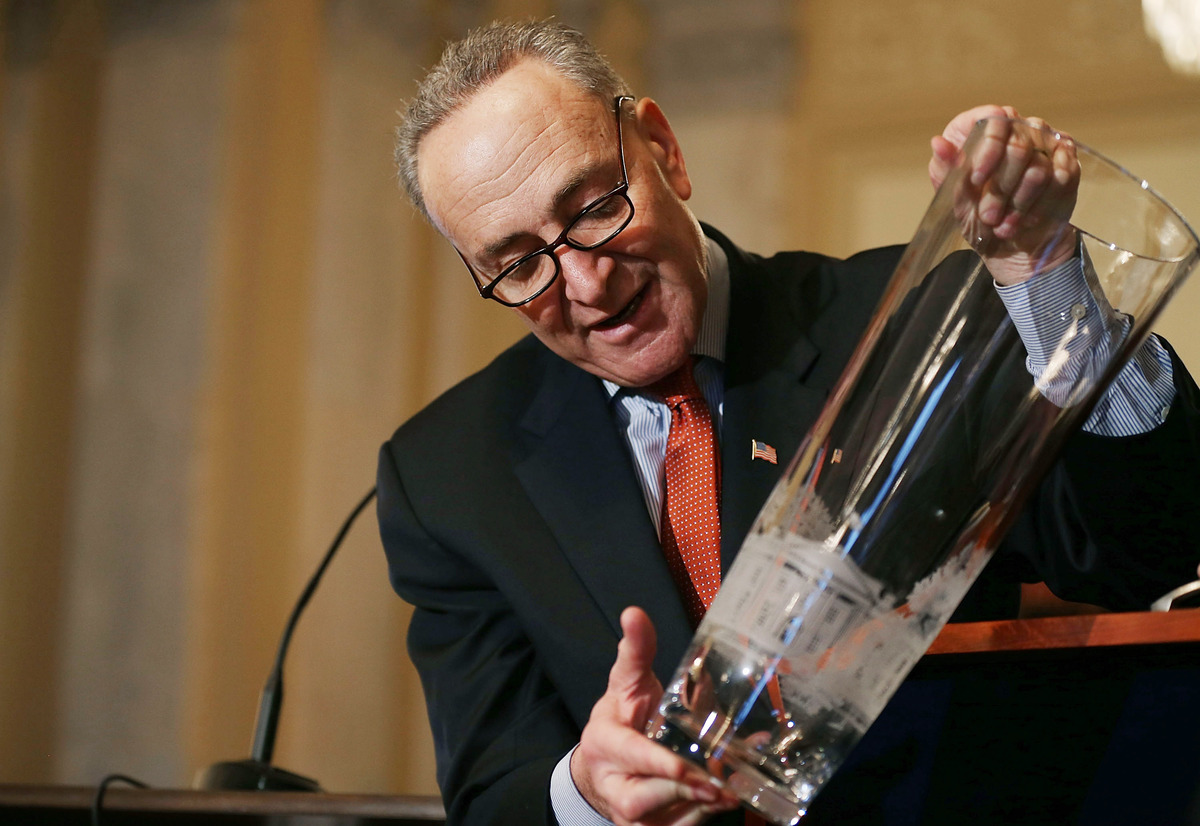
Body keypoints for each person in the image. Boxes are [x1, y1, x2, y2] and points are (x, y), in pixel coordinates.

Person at [376, 20, 1200, 826]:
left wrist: (1041, 275)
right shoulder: (445, 474)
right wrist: (589, 793)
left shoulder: (916, 324)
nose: (587, 284)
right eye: (520, 263)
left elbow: (1143, 548)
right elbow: (497, 790)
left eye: (594, 206)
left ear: (664, 150)